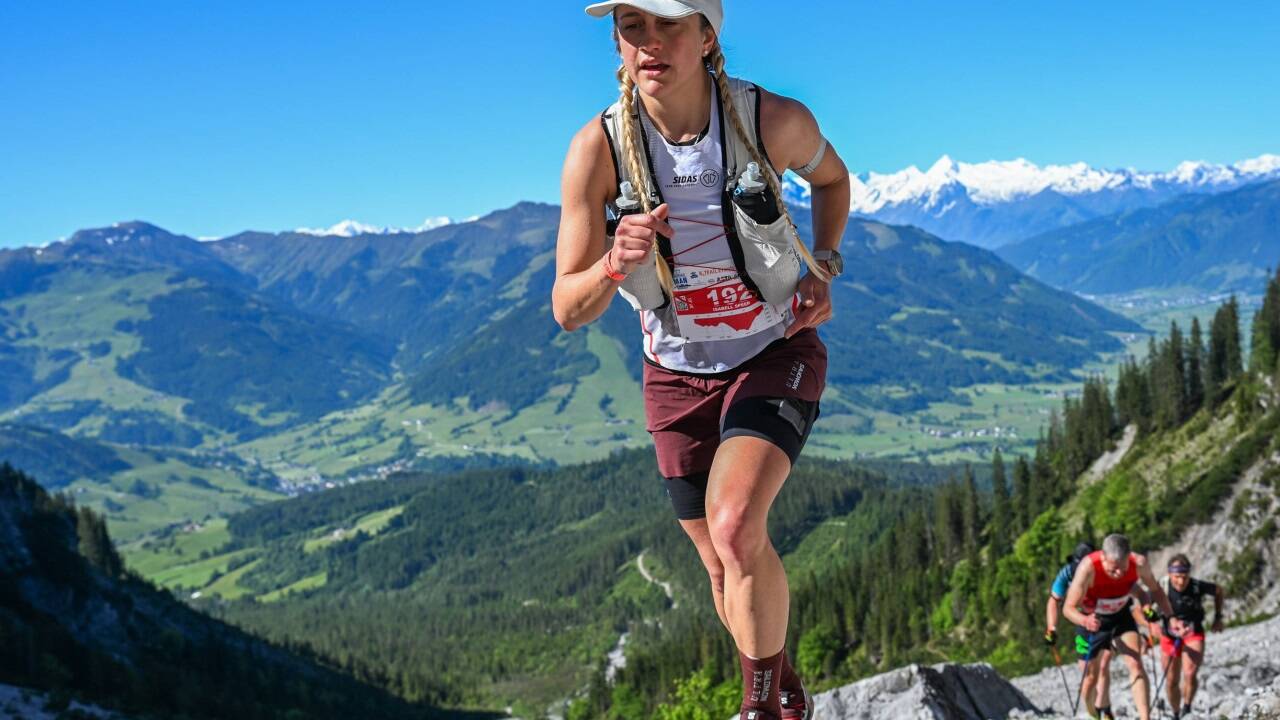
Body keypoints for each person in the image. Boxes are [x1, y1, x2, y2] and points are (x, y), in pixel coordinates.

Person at [553, 2, 850, 718]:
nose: (649, 43)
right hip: (675, 375)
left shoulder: (771, 121)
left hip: (775, 350)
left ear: (708, 34)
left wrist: (825, 266)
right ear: (617, 41)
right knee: (722, 568)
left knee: (735, 525)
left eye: (670, 24)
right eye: (631, 26)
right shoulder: (598, 149)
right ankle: (784, 688)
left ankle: (756, 709)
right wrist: (613, 263)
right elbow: (567, 307)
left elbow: (833, 182)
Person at [1063, 534, 1182, 720]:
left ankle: (1145, 717)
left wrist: (1167, 615)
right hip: (1092, 621)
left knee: (1136, 663)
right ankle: (1094, 715)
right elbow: (1068, 608)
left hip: (1120, 616)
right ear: (1102, 557)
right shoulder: (1088, 567)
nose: (1118, 573)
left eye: (1123, 568)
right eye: (1113, 569)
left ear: (1129, 557)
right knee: (1090, 679)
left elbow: (1153, 590)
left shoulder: (1139, 563)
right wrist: (1085, 620)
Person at [1151, 553, 1225, 719]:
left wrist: (1218, 617)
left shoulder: (1196, 586)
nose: (1181, 581)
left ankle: (1187, 708)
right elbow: (1143, 607)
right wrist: (1151, 623)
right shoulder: (1161, 587)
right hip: (1169, 636)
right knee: (1171, 680)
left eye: (1184, 577)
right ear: (1169, 574)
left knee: (1190, 673)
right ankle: (1176, 712)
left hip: (1193, 633)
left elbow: (1219, 590)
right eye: (1177, 577)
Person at [1044, 542, 1097, 716]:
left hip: (1105, 618)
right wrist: (1051, 628)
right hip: (1083, 621)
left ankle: (1105, 709)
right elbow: (1054, 600)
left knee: (1102, 668)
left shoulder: (1101, 571)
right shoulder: (1067, 572)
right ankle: (1093, 713)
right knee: (1087, 673)